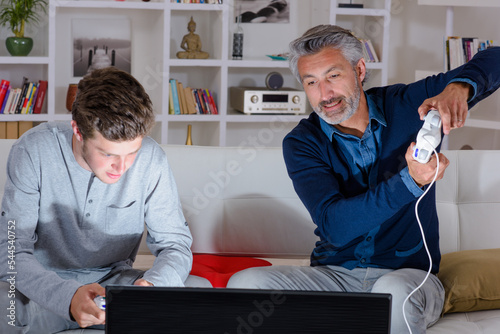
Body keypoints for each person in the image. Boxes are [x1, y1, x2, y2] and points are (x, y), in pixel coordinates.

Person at [226, 25, 500, 333]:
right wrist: (409, 182)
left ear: (359, 69)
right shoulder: (301, 142)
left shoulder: (410, 104)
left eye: (333, 76)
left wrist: (458, 88)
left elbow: (496, 58)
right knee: (246, 282)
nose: (324, 94)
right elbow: (336, 226)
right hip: (334, 277)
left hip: (408, 277)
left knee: (396, 292)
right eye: (311, 82)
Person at [0, 67, 195, 333]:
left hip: (116, 285)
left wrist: (152, 287)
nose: (122, 167)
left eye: (132, 152)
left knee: (198, 295)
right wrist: (68, 297)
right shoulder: (32, 151)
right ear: (78, 132)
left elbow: (175, 244)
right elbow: (11, 251)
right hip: (42, 286)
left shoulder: (152, 158)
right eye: (108, 154)